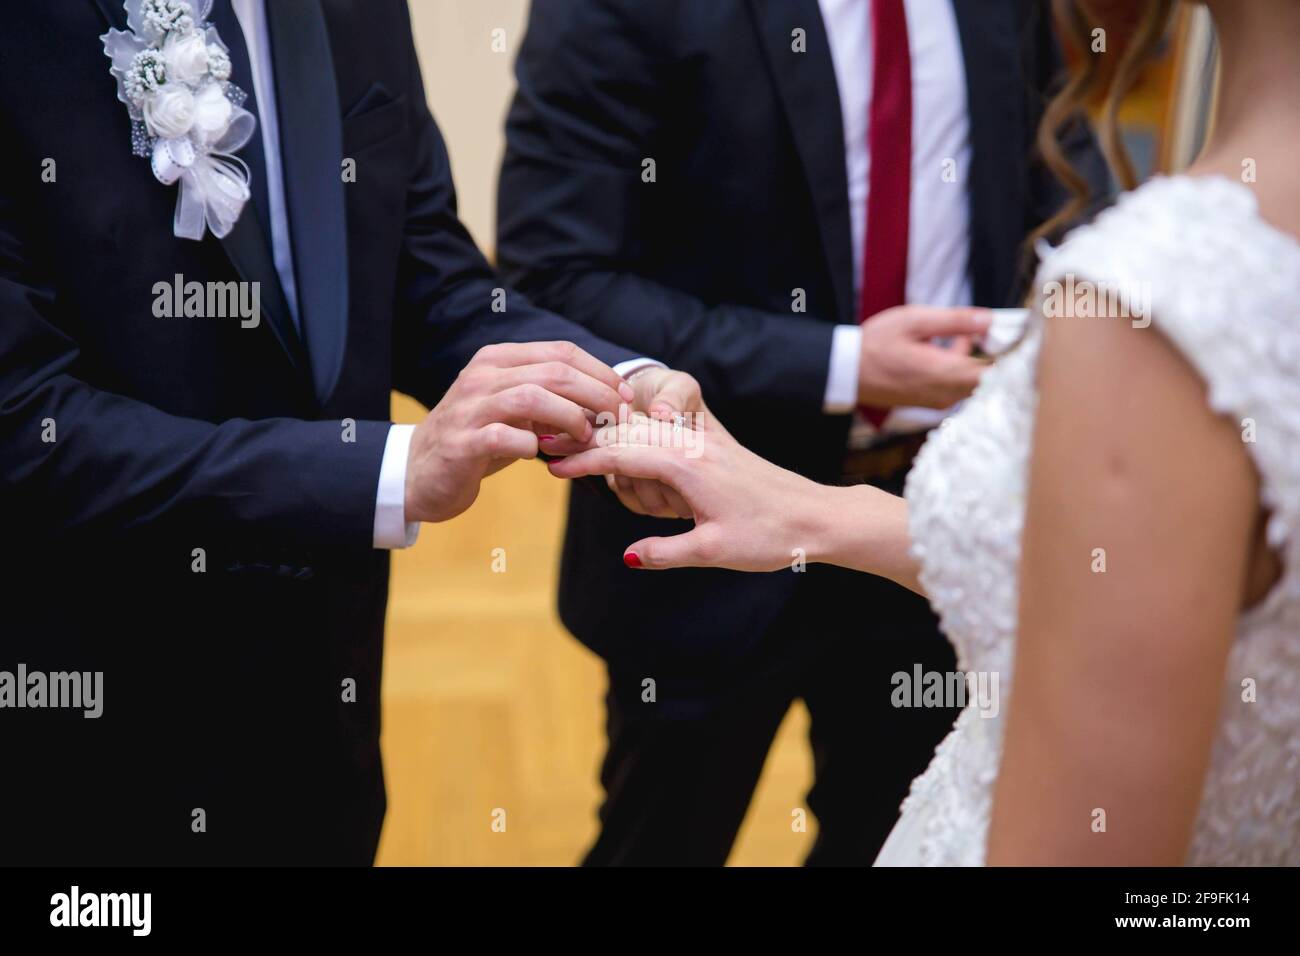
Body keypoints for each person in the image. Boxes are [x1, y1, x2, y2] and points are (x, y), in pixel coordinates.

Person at [548, 0, 1300, 864]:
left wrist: (1109, 359)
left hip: (950, 530)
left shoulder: (1157, 307)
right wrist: (837, 402)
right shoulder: (1192, 296)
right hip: (712, 538)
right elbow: (562, 269)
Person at [0, 0, 699, 864]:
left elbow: (425, 279)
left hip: (323, 687)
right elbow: (25, 422)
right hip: (82, 701)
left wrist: (619, 385)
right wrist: (391, 471)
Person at [498, 0, 1106, 864]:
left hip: (941, 516)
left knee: (890, 830)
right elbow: (559, 274)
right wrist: (847, 365)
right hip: (705, 513)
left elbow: (1059, 163)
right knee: (665, 835)